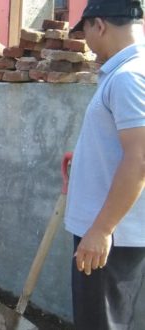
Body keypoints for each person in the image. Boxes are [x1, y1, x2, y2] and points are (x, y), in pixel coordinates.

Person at [65, 1, 145, 329]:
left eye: (85, 33)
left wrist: (100, 230)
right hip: (115, 234)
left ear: (99, 25)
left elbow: (139, 158)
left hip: (110, 241)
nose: (87, 45)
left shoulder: (129, 77)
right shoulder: (129, 73)